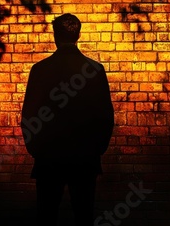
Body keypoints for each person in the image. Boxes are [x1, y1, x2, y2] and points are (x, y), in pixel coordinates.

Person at [21, 13, 114, 226]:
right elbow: (105, 116)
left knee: (46, 216)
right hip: (84, 157)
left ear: (55, 35)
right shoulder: (95, 70)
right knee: (84, 215)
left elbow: (29, 114)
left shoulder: (40, 70)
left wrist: (35, 149)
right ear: (78, 35)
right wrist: (97, 150)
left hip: (49, 157)